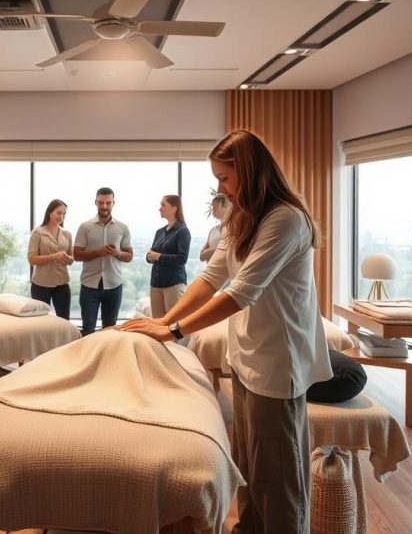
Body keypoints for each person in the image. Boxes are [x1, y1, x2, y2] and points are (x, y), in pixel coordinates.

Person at [119, 130, 332, 534]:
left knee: (279, 478)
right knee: (249, 468)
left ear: (249, 173)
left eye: (225, 178)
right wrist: (165, 322)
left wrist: (177, 330)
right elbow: (210, 277)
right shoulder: (242, 216)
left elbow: (241, 292)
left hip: (277, 362)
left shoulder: (285, 219)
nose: (220, 188)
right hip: (248, 357)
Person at [73, 187, 132, 335]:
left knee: (110, 330)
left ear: (113, 203)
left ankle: (107, 358)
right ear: (95, 202)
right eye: (101, 203)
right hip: (89, 286)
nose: (104, 206)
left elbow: (129, 256)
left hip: (114, 285)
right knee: (88, 328)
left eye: (108, 203)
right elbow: (77, 255)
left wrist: (117, 253)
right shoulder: (85, 227)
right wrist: (98, 252)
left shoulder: (122, 228)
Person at [146, 194, 191, 322]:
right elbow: (150, 255)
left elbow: (182, 259)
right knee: (158, 325)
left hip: (173, 285)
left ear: (174, 208)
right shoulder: (159, 232)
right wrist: (150, 257)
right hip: (155, 285)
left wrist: (158, 256)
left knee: (175, 325)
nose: (159, 208)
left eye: (163, 205)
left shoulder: (183, 231)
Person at [28, 199, 74, 319]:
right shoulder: (37, 233)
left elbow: (71, 257)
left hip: (62, 283)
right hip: (41, 284)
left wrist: (69, 259)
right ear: (50, 212)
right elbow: (32, 259)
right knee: (41, 322)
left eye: (64, 214)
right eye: (59, 213)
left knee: (64, 320)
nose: (61, 216)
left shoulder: (67, 234)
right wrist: (55, 256)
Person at [199, 193, 230, 262]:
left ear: (226, 207)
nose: (212, 209)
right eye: (212, 206)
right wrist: (214, 249)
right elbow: (201, 256)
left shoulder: (232, 229)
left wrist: (210, 251)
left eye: (216, 206)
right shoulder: (213, 231)